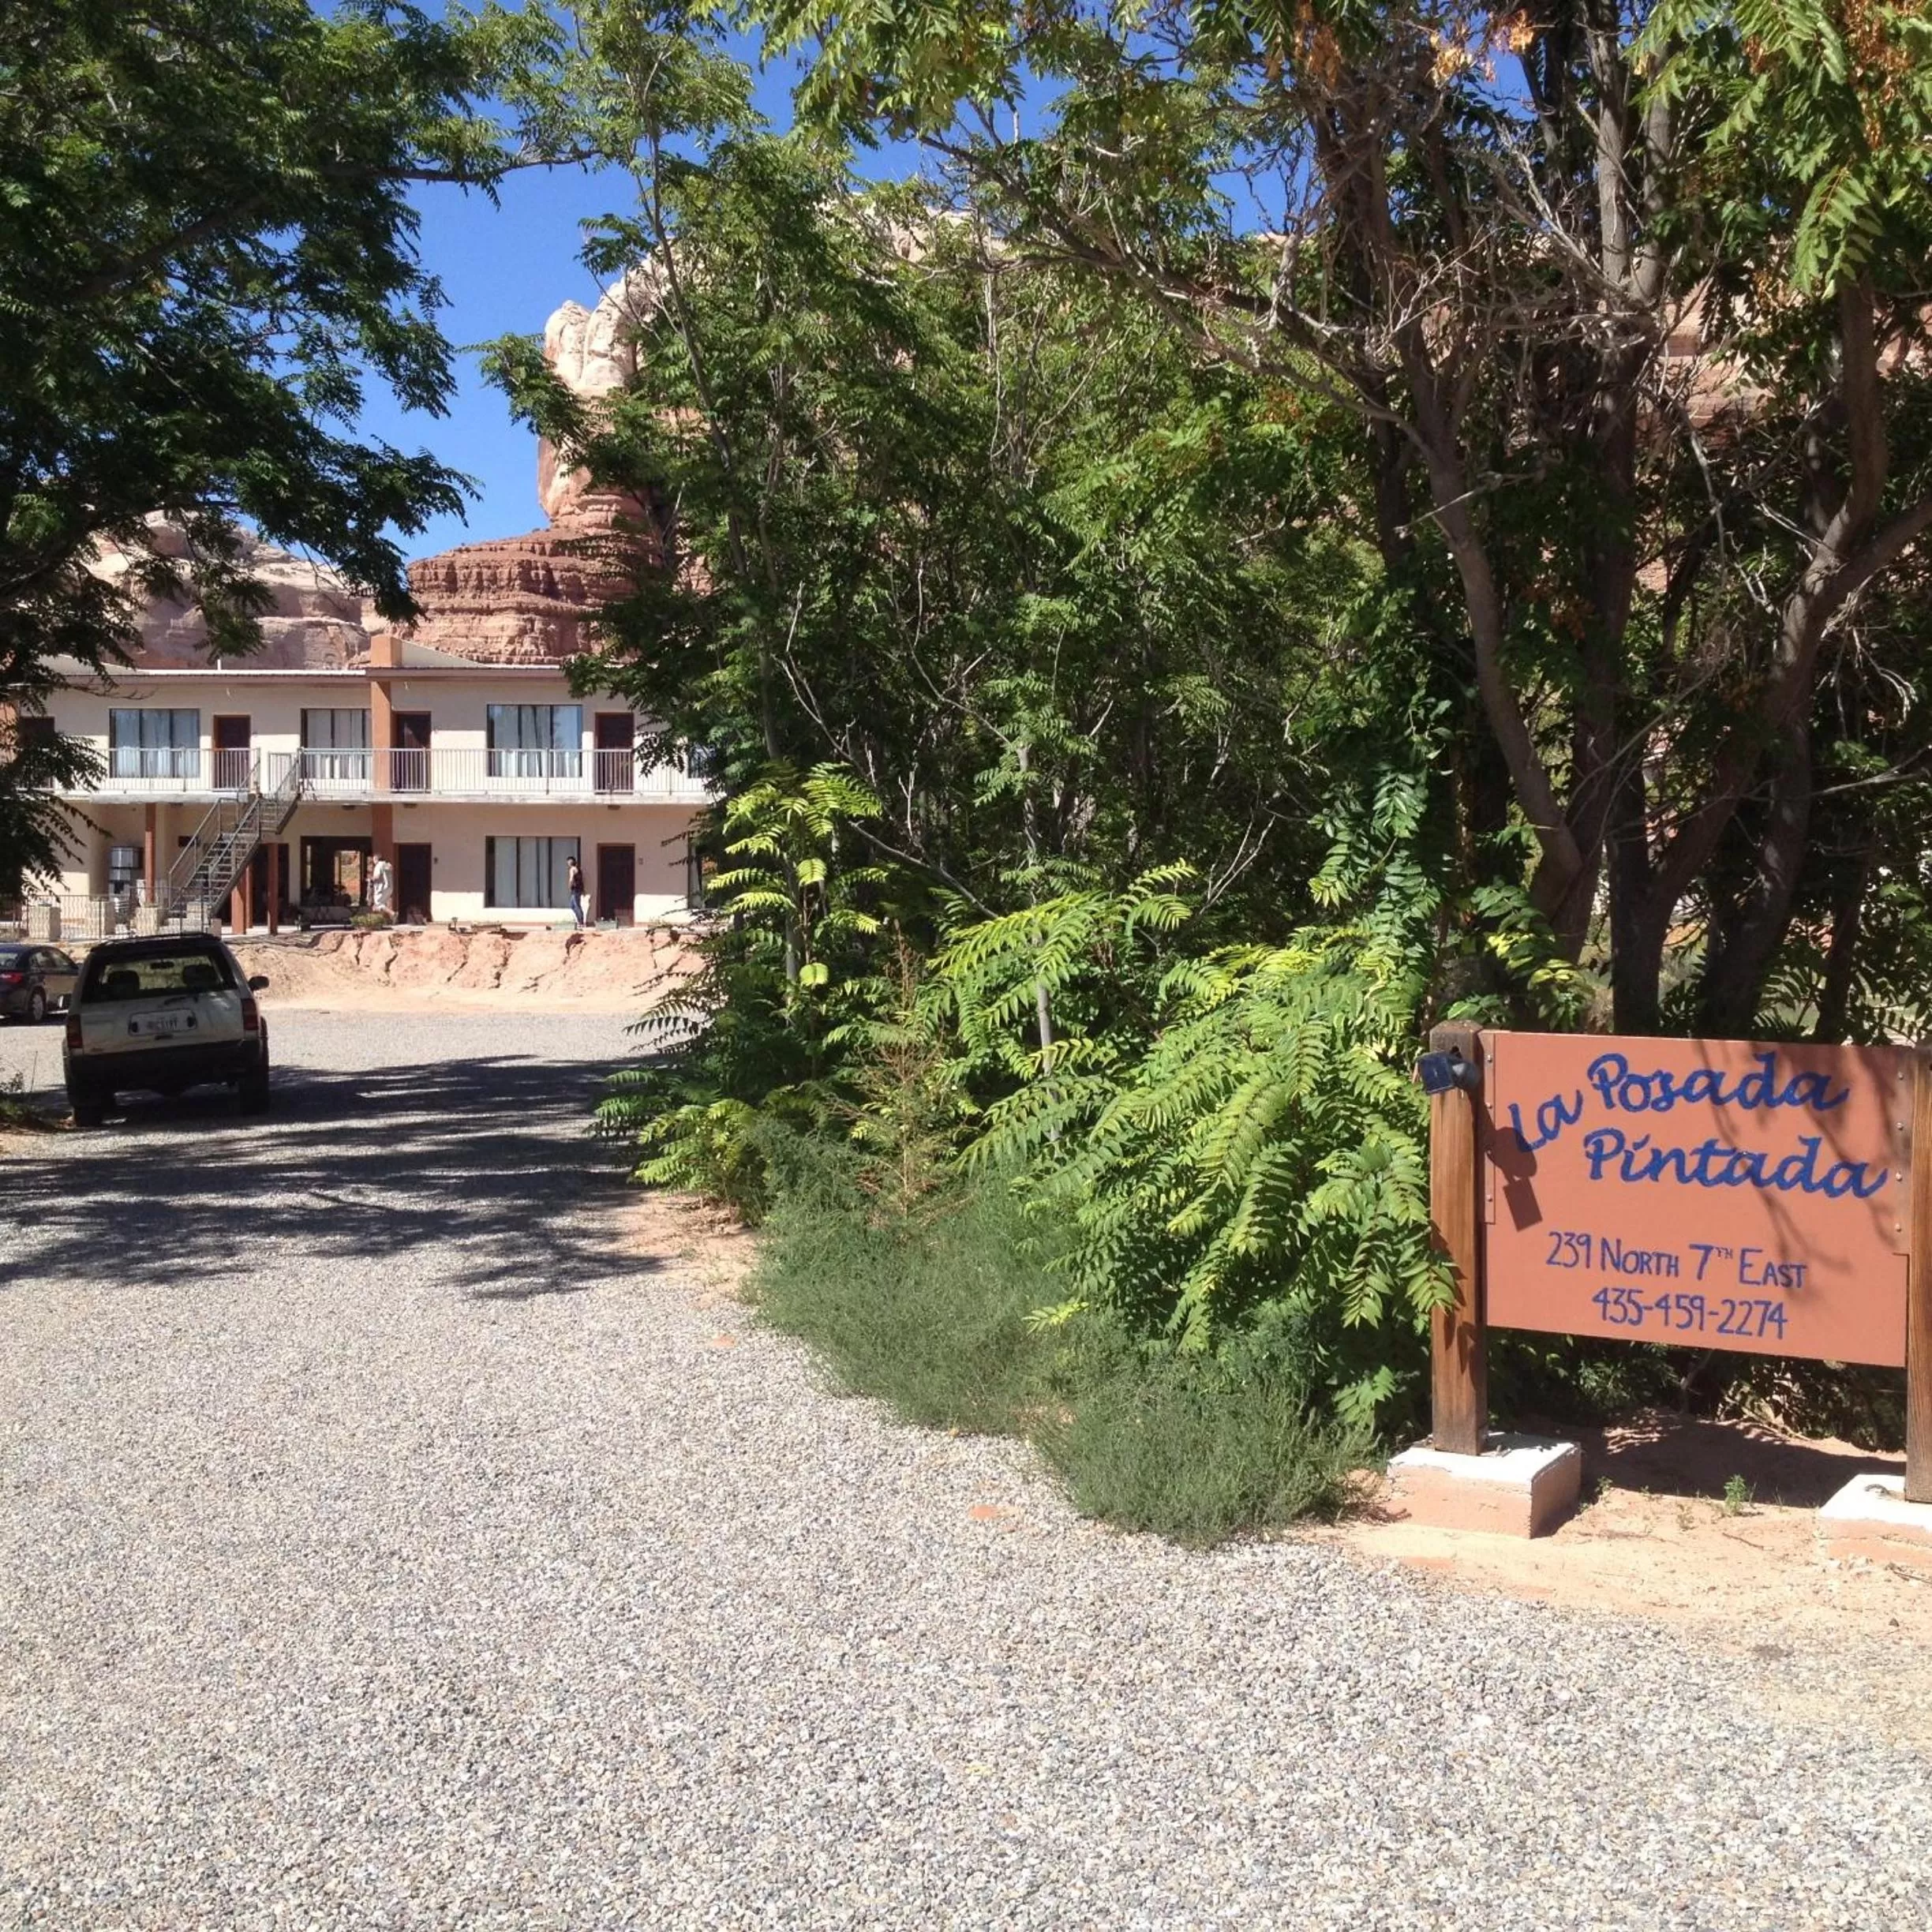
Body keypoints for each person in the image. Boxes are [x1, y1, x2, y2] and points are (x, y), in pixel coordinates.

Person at [567, 853, 586, 928]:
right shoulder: (579, 870)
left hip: (575, 890)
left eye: (569, 862)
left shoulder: (572, 869)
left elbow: (571, 879)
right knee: (573, 905)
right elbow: (581, 880)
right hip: (578, 890)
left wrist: (569, 885)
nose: (568, 863)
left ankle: (581, 922)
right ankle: (579, 920)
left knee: (577, 905)